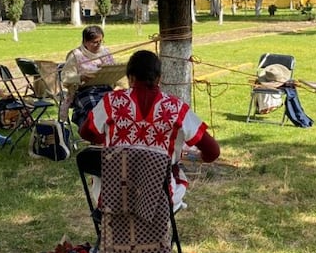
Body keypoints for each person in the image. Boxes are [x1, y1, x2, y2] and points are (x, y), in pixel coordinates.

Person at [79, 50, 220, 211]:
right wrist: (198, 156)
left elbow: (86, 132)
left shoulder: (111, 102)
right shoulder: (176, 109)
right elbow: (213, 151)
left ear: (130, 78)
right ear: (159, 78)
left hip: (113, 200)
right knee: (174, 177)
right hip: (161, 202)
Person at [63, 26, 118, 128]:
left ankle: (112, 136)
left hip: (106, 90)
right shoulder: (75, 55)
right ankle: (95, 135)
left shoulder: (105, 52)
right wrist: (80, 77)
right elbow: (66, 78)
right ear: (85, 41)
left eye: (101, 41)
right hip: (84, 91)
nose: (99, 45)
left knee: (118, 107)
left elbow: (113, 70)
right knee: (96, 108)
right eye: (95, 42)